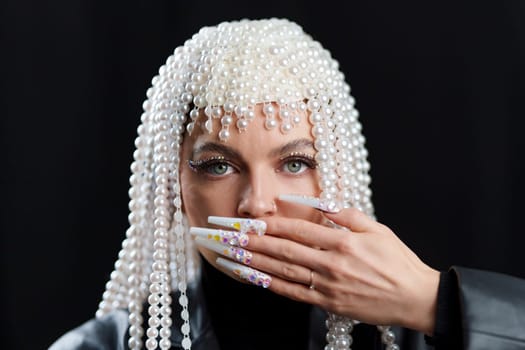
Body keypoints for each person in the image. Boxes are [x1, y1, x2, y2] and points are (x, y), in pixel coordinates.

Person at [49, 18, 525, 350]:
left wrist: (436, 303)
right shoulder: (95, 346)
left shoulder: (416, 334)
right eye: (218, 165)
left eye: (295, 163)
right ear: (172, 182)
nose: (258, 205)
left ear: (338, 170)